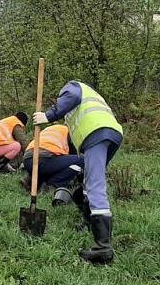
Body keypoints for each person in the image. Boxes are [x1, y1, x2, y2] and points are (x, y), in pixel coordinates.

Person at [34, 81, 123, 265]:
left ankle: (103, 248)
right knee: (86, 181)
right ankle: (89, 222)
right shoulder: (92, 97)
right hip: (111, 134)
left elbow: (71, 97)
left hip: (96, 133)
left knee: (95, 185)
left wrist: (48, 115)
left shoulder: (72, 87)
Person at [20, 124, 84, 205]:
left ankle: (30, 180)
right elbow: (74, 155)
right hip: (44, 158)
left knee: (53, 165)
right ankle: (53, 184)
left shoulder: (50, 129)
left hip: (27, 159)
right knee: (82, 160)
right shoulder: (70, 132)